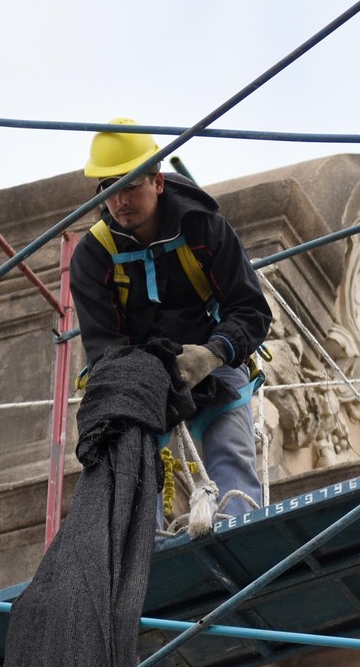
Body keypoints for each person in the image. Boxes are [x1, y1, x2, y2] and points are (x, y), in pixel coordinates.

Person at [70, 118, 273, 523]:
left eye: (130, 185)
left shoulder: (202, 227)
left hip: (213, 364)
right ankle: (147, 564)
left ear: (158, 182)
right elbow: (105, 346)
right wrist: (142, 385)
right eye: (110, 189)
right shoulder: (94, 256)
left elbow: (249, 309)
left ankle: (241, 533)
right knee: (133, 483)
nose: (121, 200)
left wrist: (213, 353)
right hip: (140, 379)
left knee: (230, 455)